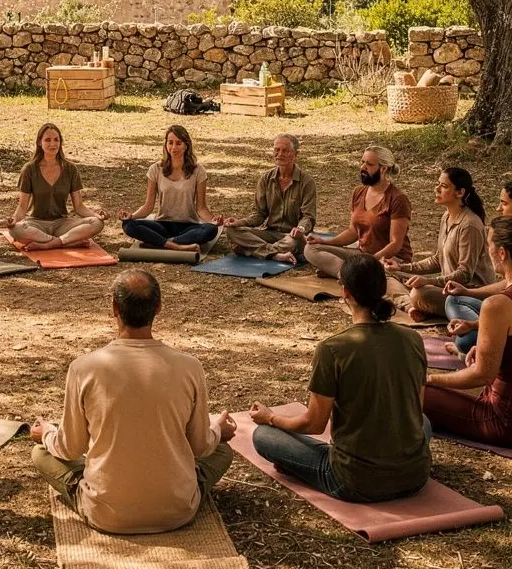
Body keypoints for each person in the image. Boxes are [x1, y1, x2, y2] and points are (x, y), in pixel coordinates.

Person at [30, 268, 236, 533]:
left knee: (41, 452)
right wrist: (218, 429)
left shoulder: (84, 368)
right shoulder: (190, 367)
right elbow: (201, 446)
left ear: (114, 308)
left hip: (106, 514)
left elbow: (69, 448)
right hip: (178, 510)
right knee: (222, 450)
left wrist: (47, 432)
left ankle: (106, 494)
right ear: (159, 307)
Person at [250, 253, 431, 501]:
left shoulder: (333, 349)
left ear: (345, 292)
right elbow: (416, 407)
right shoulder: (413, 338)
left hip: (354, 481)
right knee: (424, 422)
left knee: (263, 437)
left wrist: (271, 417)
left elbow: (313, 424)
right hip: (415, 475)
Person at [424, 216, 512, 448]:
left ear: (502, 253)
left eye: (489, 245)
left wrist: (431, 379)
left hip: (502, 420)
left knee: (410, 393)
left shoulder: (498, 305)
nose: (487, 250)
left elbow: (481, 375)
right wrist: (486, 345)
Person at [383, 166, 494, 318]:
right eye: (438, 184)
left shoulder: (470, 225)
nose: (437, 189)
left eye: (444, 186)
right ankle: (415, 307)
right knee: (389, 274)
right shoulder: (446, 217)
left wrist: (429, 281)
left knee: (420, 293)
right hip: (447, 289)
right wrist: (401, 267)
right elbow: (437, 259)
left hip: (468, 293)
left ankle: (419, 306)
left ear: (460, 192)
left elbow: (464, 274)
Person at [304, 145, 412, 282]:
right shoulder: (358, 192)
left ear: (383, 169)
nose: (363, 168)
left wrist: (371, 260)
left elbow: (395, 244)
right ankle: (347, 274)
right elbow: (353, 231)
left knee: (383, 275)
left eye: (369, 164)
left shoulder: (398, 199)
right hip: (362, 255)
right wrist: (324, 241)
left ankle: (351, 274)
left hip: (389, 259)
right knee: (311, 249)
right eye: (362, 162)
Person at [118, 125, 223, 252]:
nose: (174, 147)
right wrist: (132, 216)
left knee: (210, 230)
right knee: (129, 225)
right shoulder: (155, 169)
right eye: (170, 143)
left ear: (186, 146)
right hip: (162, 225)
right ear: (165, 145)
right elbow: (148, 206)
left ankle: (161, 243)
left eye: (178, 143)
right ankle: (177, 245)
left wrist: (213, 220)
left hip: (188, 226)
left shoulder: (198, 171)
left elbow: (201, 208)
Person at [8, 123, 106, 251]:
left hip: (62, 224)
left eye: (56, 139)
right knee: (15, 230)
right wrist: (14, 219)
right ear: (39, 142)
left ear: (61, 142)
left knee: (97, 223)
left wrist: (97, 216)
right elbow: (22, 207)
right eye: (47, 140)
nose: (52, 144)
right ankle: (66, 242)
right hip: (37, 224)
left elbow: (79, 207)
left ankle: (50, 244)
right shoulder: (29, 169)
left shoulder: (70, 169)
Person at [444, 179, 512, 356]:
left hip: (503, 312)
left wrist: (430, 379)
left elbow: (465, 271)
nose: (498, 208)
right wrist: (467, 292)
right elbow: (508, 282)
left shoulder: (470, 224)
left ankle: (480, 344)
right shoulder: (447, 218)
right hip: (501, 310)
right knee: (454, 299)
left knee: (465, 340)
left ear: (502, 253)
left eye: (503, 203)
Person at [223, 134, 316, 262]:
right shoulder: (266, 178)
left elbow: (308, 217)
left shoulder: (306, 182)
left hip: (292, 236)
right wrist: (239, 222)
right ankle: (275, 255)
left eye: (285, 151)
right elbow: (258, 215)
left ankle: (250, 250)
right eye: (276, 150)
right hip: (269, 233)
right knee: (232, 232)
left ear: (295, 154)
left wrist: (300, 229)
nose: (280, 154)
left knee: (290, 243)